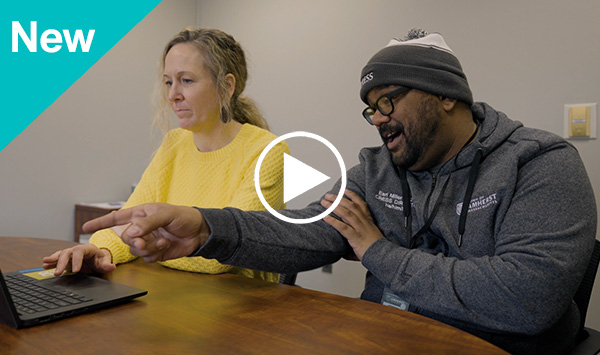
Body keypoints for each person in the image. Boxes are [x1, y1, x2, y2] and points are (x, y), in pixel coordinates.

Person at [70, 29, 596, 355]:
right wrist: (207, 226)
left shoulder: (539, 164)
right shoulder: (378, 171)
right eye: (371, 107)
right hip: (380, 339)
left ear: (447, 98)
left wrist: (378, 251)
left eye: (389, 99)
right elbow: (302, 231)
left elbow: (527, 300)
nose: (379, 120)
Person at [43, 27, 289, 283]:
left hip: (240, 308)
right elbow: (131, 220)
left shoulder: (267, 151)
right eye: (169, 82)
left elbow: (225, 251)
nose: (173, 95)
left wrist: (152, 243)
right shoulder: (174, 144)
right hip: (170, 294)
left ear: (226, 86)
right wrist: (100, 251)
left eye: (187, 80)